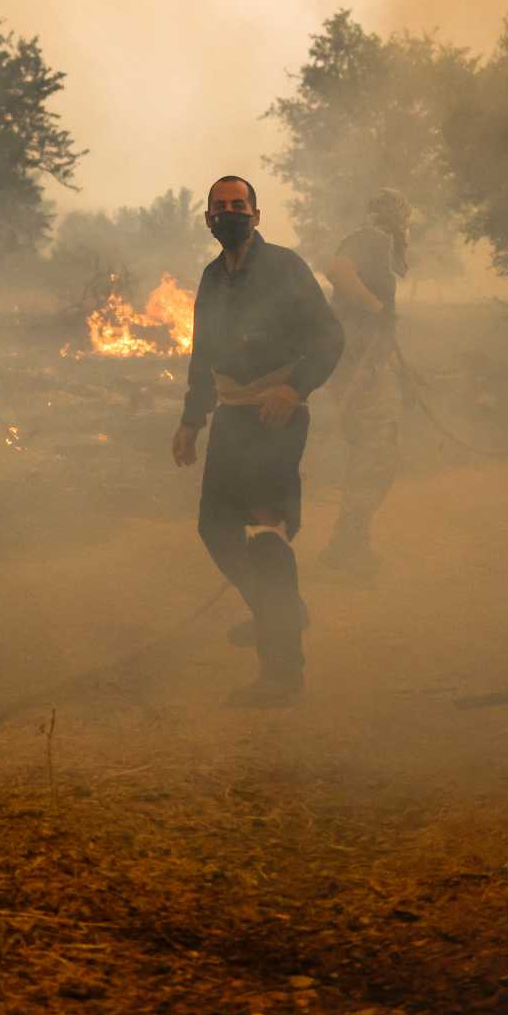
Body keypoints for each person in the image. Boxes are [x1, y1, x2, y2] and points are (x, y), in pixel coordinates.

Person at [172, 175, 345, 706]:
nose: (229, 214)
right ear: (207, 220)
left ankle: (281, 672)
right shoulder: (211, 277)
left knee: (268, 536)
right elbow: (203, 354)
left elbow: (330, 337)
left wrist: (295, 388)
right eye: (219, 208)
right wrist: (191, 420)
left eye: (237, 205)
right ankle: (280, 611)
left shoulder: (285, 267)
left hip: (276, 416)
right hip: (230, 415)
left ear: (256, 213)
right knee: (215, 527)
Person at [317, 187, 411, 579]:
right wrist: (376, 308)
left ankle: (350, 543)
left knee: (373, 451)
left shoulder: (374, 243)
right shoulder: (369, 238)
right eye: (404, 217)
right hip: (359, 367)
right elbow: (336, 270)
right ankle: (346, 550)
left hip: (365, 363)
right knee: (376, 452)